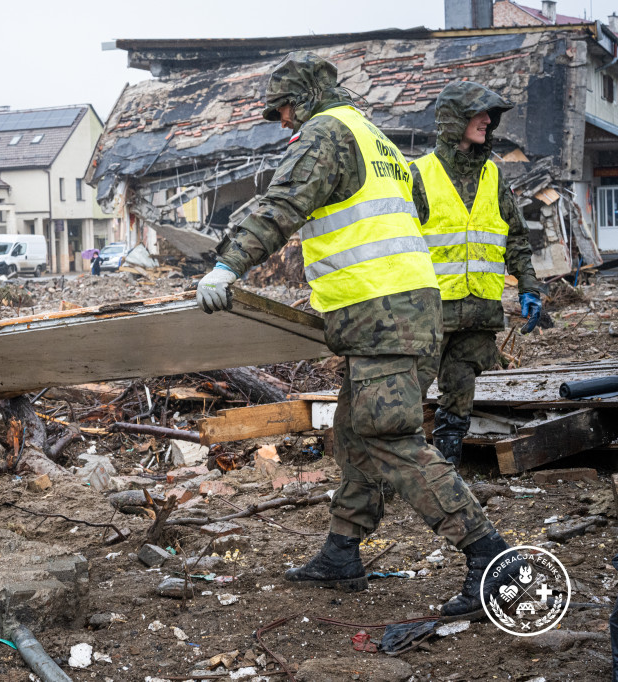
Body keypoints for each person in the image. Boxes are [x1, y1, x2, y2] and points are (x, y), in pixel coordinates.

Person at [195, 52, 515, 620]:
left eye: (284, 107)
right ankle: (342, 552)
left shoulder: (326, 133)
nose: (283, 120)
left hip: (382, 312)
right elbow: (412, 209)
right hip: (402, 310)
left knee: (391, 439)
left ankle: (492, 560)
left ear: (306, 97)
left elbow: (284, 203)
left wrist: (227, 266)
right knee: (355, 434)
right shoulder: (377, 140)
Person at [411, 81, 546, 466]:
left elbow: (516, 237)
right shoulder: (418, 175)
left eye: (490, 114)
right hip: (428, 314)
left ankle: (447, 472)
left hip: (477, 314)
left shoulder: (493, 176)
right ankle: (394, 479)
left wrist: (528, 286)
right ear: (454, 119)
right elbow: (396, 245)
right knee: (406, 398)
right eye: (478, 113)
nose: (487, 120)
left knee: (458, 401)